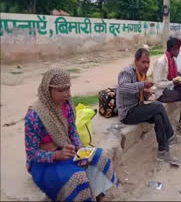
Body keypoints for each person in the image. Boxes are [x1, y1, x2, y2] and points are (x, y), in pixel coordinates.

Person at [24, 68, 118, 201]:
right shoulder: (35, 116)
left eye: (68, 88)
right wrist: (57, 154)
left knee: (98, 156)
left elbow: (72, 130)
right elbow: (32, 154)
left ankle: (98, 196)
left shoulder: (67, 105)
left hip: (66, 149)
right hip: (44, 162)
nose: (67, 94)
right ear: (47, 90)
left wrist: (79, 148)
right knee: (77, 177)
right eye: (60, 90)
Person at [117, 48, 181, 164]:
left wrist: (145, 93)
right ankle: (170, 136)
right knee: (158, 107)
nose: (146, 65)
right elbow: (122, 88)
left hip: (137, 106)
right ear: (136, 61)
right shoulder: (127, 72)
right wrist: (142, 85)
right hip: (128, 112)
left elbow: (136, 91)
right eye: (143, 62)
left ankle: (162, 151)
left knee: (158, 116)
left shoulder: (141, 74)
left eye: (148, 62)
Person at [153, 37, 181, 134]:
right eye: (177, 49)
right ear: (172, 49)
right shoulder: (161, 62)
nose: (178, 52)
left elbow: (174, 77)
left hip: (170, 87)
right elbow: (157, 83)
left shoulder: (172, 60)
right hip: (162, 92)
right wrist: (172, 82)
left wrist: (177, 81)